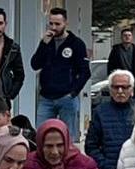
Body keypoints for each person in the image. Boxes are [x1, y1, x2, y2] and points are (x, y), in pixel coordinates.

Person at [31, 7, 91, 141]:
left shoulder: (76, 43)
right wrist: (43, 44)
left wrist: (74, 92)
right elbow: (35, 65)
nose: (53, 27)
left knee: (68, 138)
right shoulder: (47, 42)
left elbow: (85, 72)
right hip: (46, 97)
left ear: (66, 23)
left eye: (57, 24)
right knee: (41, 136)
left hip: (67, 97)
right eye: (51, 23)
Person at [85, 70, 135, 169]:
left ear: (132, 89)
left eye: (124, 87)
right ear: (110, 89)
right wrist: (104, 164)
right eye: (116, 87)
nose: (120, 91)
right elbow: (91, 145)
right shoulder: (100, 112)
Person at [107, 28, 135, 96]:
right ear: (121, 37)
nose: (127, 37)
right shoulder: (116, 50)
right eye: (125, 35)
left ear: (132, 37)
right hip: (121, 81)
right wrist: (111, 79)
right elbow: (110, 66)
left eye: (129, 35)